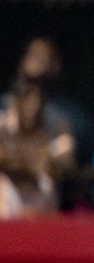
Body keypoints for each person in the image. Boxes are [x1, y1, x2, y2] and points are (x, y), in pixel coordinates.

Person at [0, 79, 73, 217]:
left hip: (37, 199)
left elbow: (58, 167)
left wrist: (53, 159)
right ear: (15, 102)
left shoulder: (44, 135)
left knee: (47, 185)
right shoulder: (2, 128)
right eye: (27, 102)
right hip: (8, 199)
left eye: (36, 103)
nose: (32, 108)